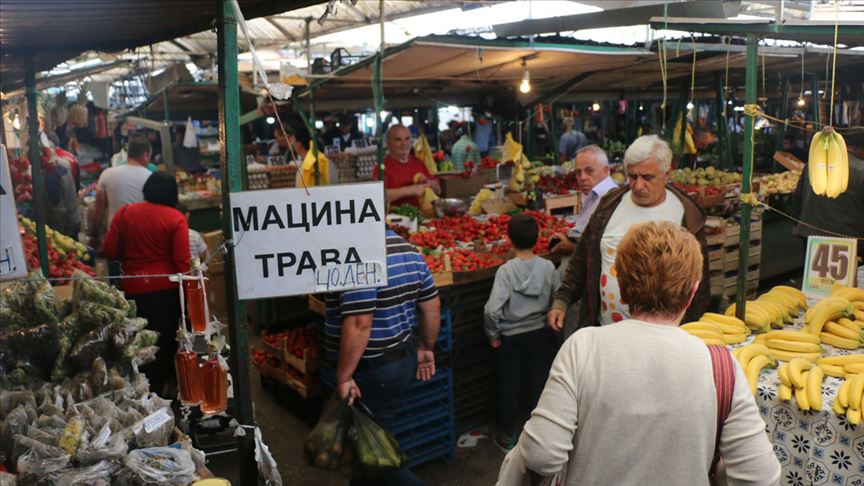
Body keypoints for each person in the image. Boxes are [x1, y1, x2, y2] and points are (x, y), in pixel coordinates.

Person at [499, 221, 781, 485]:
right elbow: (761, 477)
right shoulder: (721, 366)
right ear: (693, 291)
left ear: (620, 287)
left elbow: (541, 456)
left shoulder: (582, 347)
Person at [549, 135, 710, 330]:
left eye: (647, 177)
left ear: (667, 174)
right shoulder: (609, 205)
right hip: (606, 330)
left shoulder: (687, 215)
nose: (638, 185)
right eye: (633, 176)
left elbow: (699, 281)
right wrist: (562, 299)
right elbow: (583, 256)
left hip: (661, 340)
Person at [324, 217, 441, 486]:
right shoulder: (408, 249)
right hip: (402, 359)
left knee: (375, 451)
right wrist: (426, 348)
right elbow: (431, 306)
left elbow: (360, 322)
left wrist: (343, 377)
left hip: (371, 370)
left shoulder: (359, 255)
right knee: (373, 439)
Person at [102, 172, 191, 395]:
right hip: (166, 294)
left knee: (136, 345)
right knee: (163, 346)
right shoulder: (176, 218)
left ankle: (138, 393)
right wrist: (190, 302)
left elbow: (110, 250)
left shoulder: (125, 213)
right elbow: (183, 264)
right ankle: (159, 396)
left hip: (133, 291)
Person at [484, 214, 559, 452]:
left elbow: (492, 309)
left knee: (509, 385)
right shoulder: (548, 266)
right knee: (538, 383)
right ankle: (541, 435)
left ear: (509, 239)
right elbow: (557, 297)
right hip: (539, 333)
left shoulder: (506, 271)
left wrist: (493, 334)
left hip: (511, 338)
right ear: (538, 239)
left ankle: (508, 435)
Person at [549, 145, 619, 337]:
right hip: (576, 286)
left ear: (606, 171)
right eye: (578, 172)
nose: (582, 177)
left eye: (589, 171)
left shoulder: (609, 199)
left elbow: (602, 247)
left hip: (587, 286)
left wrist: (570, 246)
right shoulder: (592, 197)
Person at [792, 130, 864, 257]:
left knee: (814, 276)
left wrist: (799, 225)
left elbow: (796, 198)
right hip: (849, 240)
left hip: (811, 234)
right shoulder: (861, 169)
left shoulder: (814, 163)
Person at [89, 135, 153, 237]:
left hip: (115, 234)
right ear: (146, 155)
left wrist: (94, 233)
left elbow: (99, 209)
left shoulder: (108, 173)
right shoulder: (151, 178)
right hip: (142, 236)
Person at [374, 124, 441, 208]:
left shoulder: (418, 162)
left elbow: (438, 189)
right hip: (395, 218)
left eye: (407, 139)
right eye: (398, 140)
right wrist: (410, 190)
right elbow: (378, 196)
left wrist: (428, 182)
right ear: (388, 143)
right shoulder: (381, 167)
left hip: (422, 216)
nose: (404, 143)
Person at [39, 146, 81, 239]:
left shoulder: (50, 178)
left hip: (67, 229)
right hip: (75, 219)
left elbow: (59, 211)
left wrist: (56, 235)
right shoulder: (62, 165)